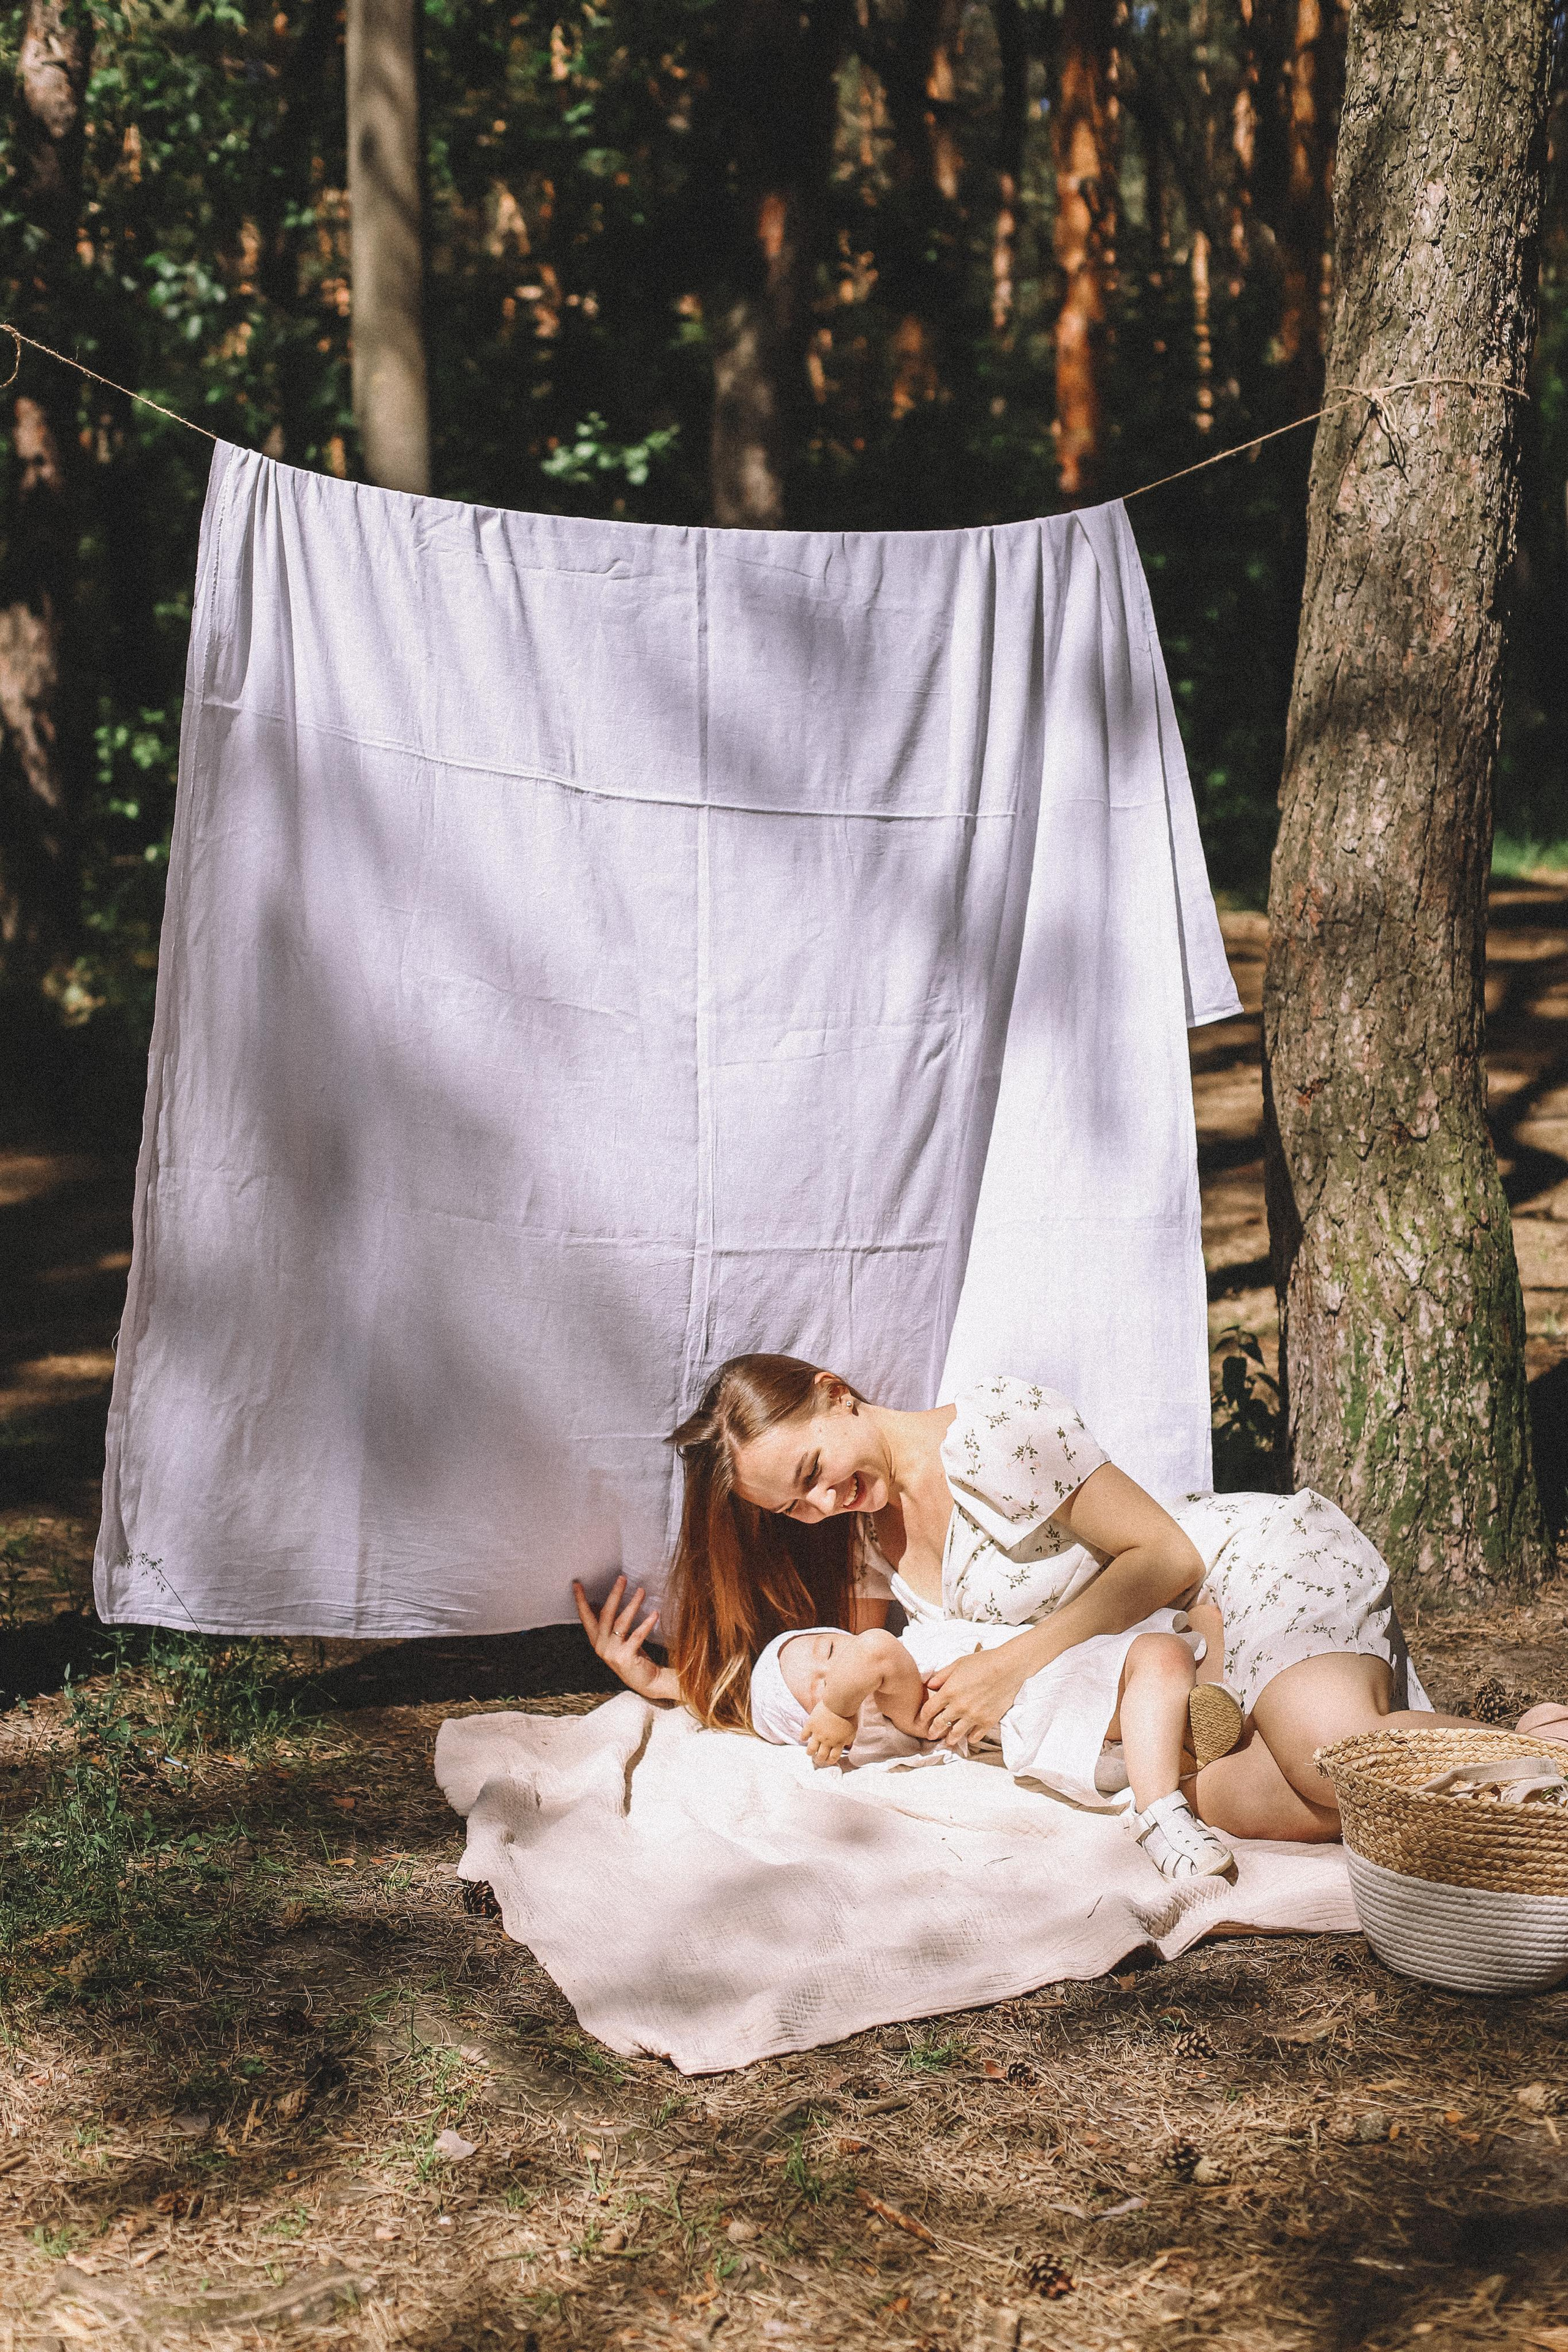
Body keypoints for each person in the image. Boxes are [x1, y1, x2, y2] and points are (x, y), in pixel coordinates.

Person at [575, 1355, 1562, 1842]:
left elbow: (1166, 1554)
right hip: (1166, 1678)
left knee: (1329, 1765)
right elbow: (863, 1686)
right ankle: (1524, 1742)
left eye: (815, 1469)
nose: (822, 1502)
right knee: (1245, 1801)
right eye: (793, 1504)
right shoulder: (868, 1544)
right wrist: (671, 1685)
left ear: (836, 1394)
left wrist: (1014, 1664)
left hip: (1238, 1574)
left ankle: (1539, 1755)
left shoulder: (999, 1424)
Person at [746, 1618, 1239, 1880]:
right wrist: (838, 1708)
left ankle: (1181, 1731)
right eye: (816, 1691)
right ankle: (1161, 1817)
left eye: (829, 1652)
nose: (832, 1676)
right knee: (1162, 1655)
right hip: (1060, 1701)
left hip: (1075, 1710)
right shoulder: (898, 1703)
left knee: (1170, 1671)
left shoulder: (913, 1646)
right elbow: (874, 1651)